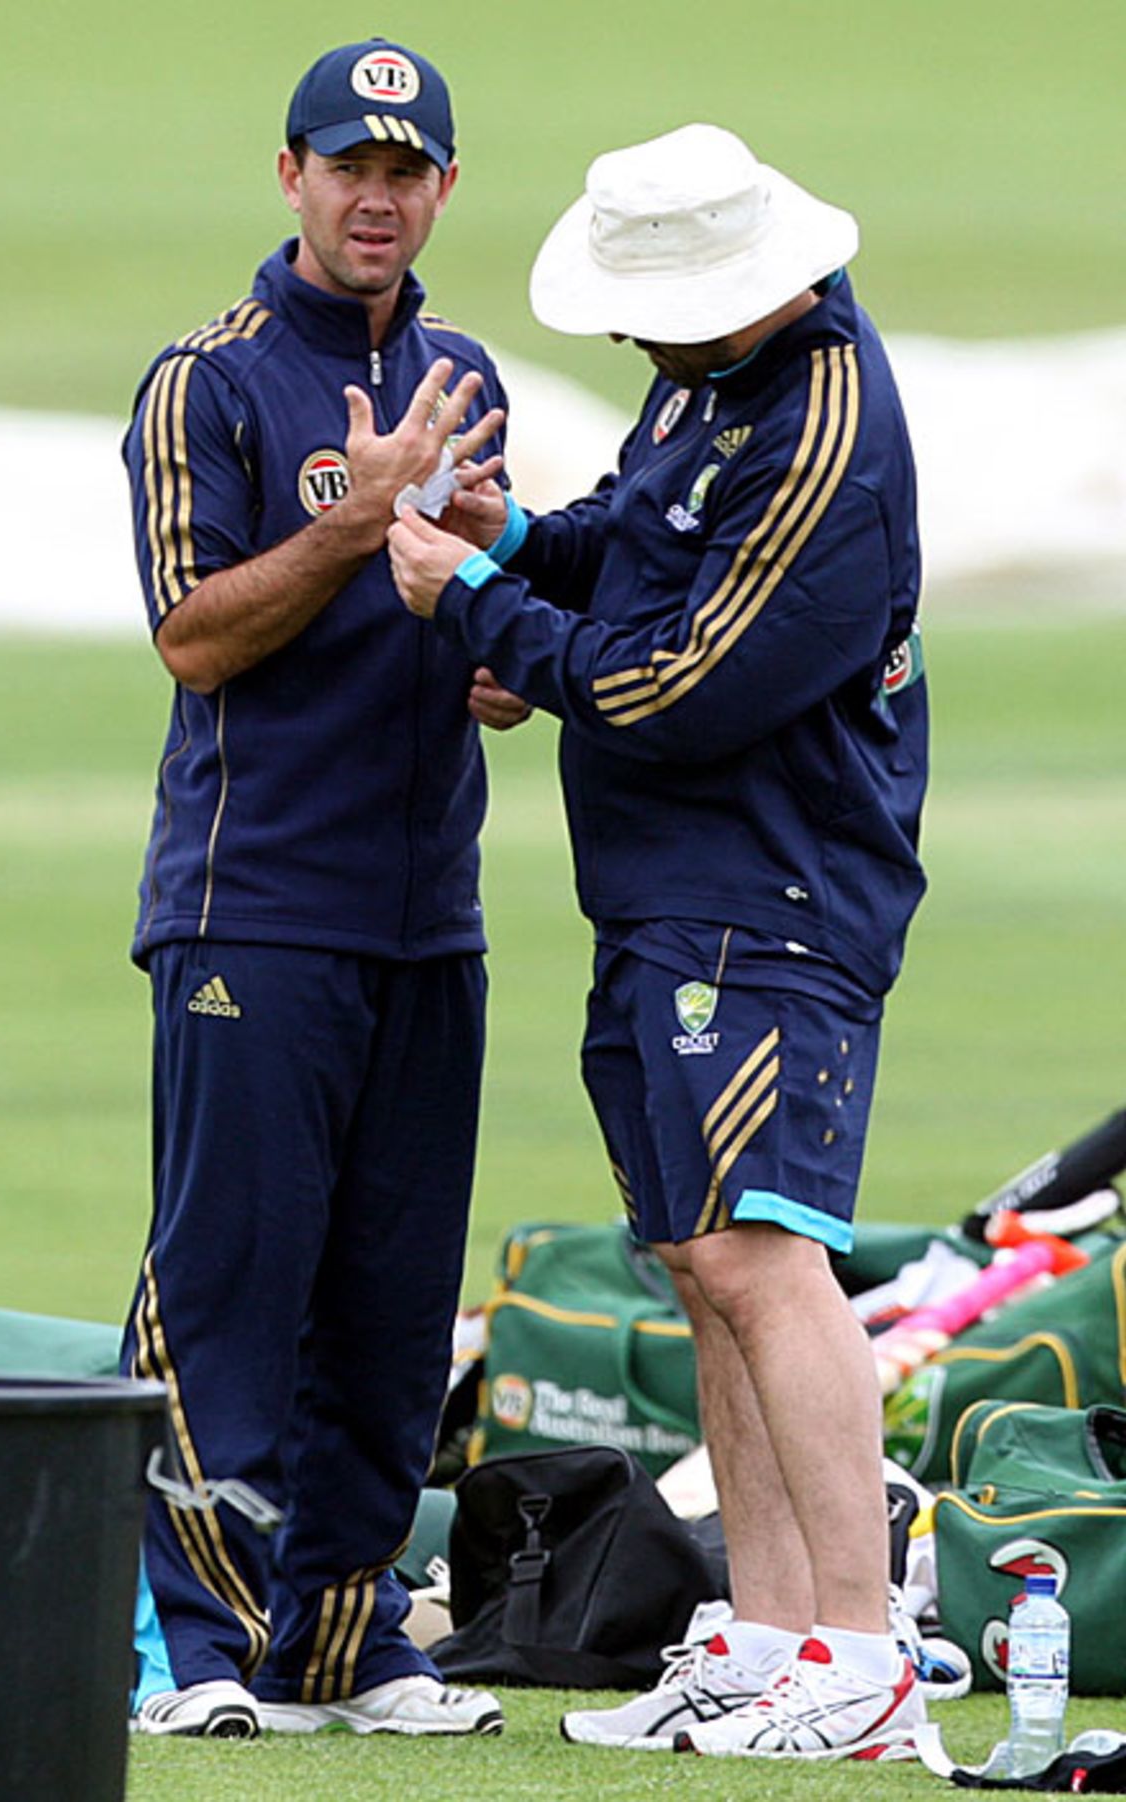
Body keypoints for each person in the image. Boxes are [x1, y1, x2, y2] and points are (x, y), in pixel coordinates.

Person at [388, 123, 929, 1762]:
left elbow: (679, 681)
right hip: (671, 887)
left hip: (773, 888)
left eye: (650, 305)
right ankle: (771, 1632)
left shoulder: (825, 426)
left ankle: (865, 1646)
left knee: (767, 1254)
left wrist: (478, 606)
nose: (629, 333)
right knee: (704, 1261)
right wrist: (515, 540)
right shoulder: (714, 376)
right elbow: (635, 543)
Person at [120, 37, 526, 1740]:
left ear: (442, 187)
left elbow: (484, 618)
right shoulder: (203, 384)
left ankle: (347, 1643)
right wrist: (356, 523)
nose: (378, 195)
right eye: (346, 165)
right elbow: (192, 635)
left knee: (388, 1280)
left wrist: (503, 632)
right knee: (230, 1270)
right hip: (255, 902)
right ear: (288, 176)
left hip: (428, 907)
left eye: (407, 168)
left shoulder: (463, 367)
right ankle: (190, 1647)